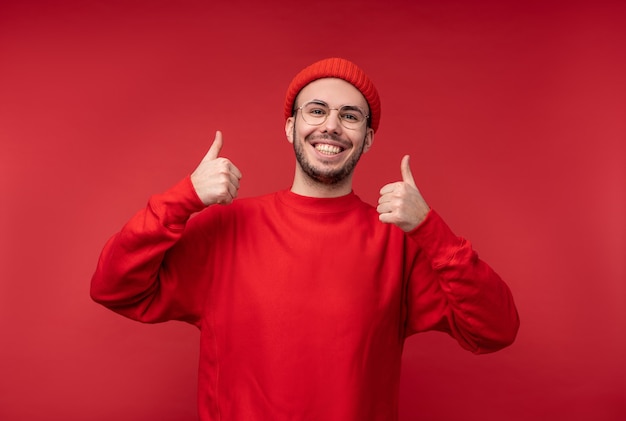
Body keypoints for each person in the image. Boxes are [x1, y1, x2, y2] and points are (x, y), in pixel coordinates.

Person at [91, 57, 519, 421]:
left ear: (367, 139)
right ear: (291, 127)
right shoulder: (228, 229)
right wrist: (183, 197)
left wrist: (429, 228)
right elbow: (114, 287)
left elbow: (496, 329)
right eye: (316, 111)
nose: (331, 126)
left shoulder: (398, 244)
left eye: (350, 116)